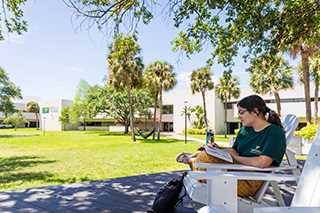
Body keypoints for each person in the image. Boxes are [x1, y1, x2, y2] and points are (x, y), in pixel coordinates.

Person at [176, 94, 286, 197]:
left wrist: (236, 157)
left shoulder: (275, 133)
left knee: (205, 160)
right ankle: (196, 159)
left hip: (250, 179)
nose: (239, 117)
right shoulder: (245, 130)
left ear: (255, 112)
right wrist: (218, 149)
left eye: (241, 112)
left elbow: (262, 162)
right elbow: (234, 151)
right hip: (234, 169)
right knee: (206, 155)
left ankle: (192, 160)